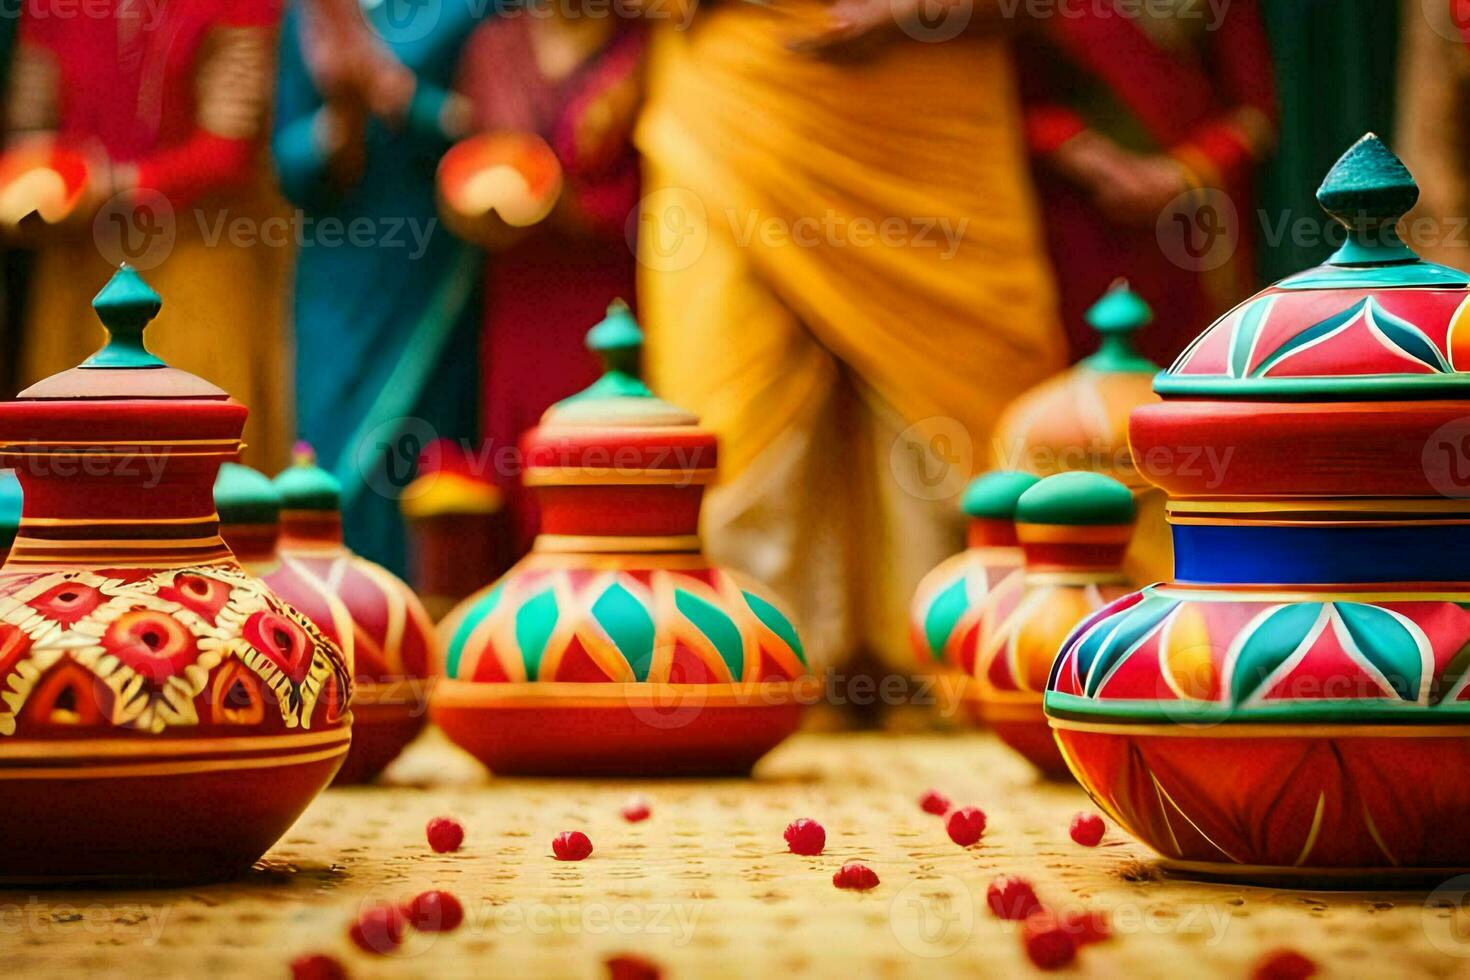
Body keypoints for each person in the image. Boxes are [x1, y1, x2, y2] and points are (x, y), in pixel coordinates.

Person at [635, 0, 1067, 674]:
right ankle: (751, 662)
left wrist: (913, 13)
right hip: (742, 104)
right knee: (733, 390)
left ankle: (958, 661)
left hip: (925, 123)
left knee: (961, 382)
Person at [6, 0, 293, 469]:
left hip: (196, 251)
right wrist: (39, 182)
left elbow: (229, 149)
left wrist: (112, 183)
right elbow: (32, 129)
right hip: (78, 257)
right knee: (70, 461)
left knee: (192, 460)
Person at [272, 0, 489, 576]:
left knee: (417, 455)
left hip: (429, 271)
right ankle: (336, 626)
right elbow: (288, 161)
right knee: (325, 447)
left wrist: (394, 92)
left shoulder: (468, 11)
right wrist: (340, 116)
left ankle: (418, 629)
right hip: (334, 278)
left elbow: (490, 130)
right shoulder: (312, 12)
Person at [455, 10, 646, 555]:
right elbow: (470, 155)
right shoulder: (495, 45)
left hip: (607, 292)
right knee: (521, 452)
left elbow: (664, 197)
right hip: (519, 288)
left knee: (602, 451)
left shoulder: (644, 50)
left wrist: (569, 206)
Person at [1016, 0, 1277, 364]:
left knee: (1194, 368)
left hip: (1192, 223)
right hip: (1081, 217)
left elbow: (1254, 114)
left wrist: (1181, 173)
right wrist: (1080, 152)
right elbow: (1012, 95)